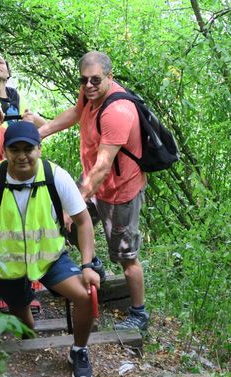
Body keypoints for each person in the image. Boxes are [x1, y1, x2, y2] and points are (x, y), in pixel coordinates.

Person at [0, 121, 99, 377]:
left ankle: (79, 350)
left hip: (50, 257)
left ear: (39, 149)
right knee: (25, 322)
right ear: (5, 151)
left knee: (86, 296)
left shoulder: (55, 176)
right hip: (8, 262)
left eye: (28, 148)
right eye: (14, 149)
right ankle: (27, 335)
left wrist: (87, 265)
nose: (21, 156)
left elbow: (83, 221)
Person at [38, 51, 149, 330]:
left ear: (110, 77)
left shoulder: (117, 112)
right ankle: (94, 265)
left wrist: (73, 203)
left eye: (95, 80)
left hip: (120, 192)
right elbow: (76, 114)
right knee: (69, 224)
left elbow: (103, 167)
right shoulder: (88, 94)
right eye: (84, 80)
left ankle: (139, 314)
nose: (88, 86)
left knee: (126, 257)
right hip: (92, 182)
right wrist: (42, 131)